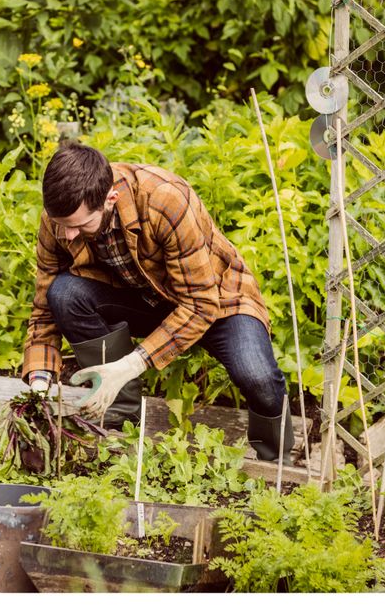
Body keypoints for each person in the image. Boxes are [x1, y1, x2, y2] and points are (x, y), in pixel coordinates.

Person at [22, 141, 294, 462]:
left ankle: (275, 458)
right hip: (144, 299)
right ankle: (120, 413)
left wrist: (131, 364)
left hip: (216, 301)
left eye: (80, 226)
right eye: (63, 226)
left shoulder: (165, 200)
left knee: (257, 377)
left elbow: (200, 305)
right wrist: (38, 380)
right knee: (64, 293)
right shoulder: (62, 217)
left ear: (110, 199)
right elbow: (44, 299)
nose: (68, 235)